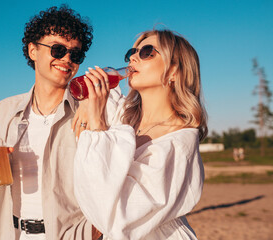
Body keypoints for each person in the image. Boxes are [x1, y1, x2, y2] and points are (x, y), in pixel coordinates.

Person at [0, 5, 116, 240]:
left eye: (76, 54)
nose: (67, 59)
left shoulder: (91, 110)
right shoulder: (5, 110)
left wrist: (94, 232)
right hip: (10, 233)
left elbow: (110, 177)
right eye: (58, 49)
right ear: (33, 51)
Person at [73, 29, 208, 239]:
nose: (133, 57)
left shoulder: (179, 142)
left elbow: (119, 219)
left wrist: (98, 124)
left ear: (174, 70)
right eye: (131, 52)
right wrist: (86, 101)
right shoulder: (123, 117)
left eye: (147, 52)